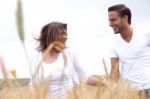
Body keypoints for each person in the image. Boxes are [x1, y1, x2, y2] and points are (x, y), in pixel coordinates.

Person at [29, 22, 87, 98]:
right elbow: (33, 84)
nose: (66, 37)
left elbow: (82, 76)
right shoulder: (36, 55)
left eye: (66, 34)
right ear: (51, 35)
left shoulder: (69, 52)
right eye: (62, 33)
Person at [108, 4, 150, 97]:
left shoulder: (146, 35)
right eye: (109, 20)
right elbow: (114, 71)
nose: (110, 24)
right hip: (129, 93)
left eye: (113, 19)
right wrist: (114, 88)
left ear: (125, 18)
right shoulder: (114, 45)